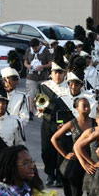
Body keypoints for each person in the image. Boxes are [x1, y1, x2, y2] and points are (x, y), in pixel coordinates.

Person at [51, 97, 93, 196]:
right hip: (76, 163)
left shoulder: (95, 123)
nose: (86, 108)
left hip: (91, 162)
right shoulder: (72, 123)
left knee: (92, 193)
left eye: (88, 105)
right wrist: (65, 154)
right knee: (76, 194)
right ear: (77, 109)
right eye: (83, 106)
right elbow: (54, 138)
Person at [37, 49, 73, 188]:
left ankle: (59, 176)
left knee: (62, 151)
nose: (57, 75)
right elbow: (40, 103)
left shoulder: (69, 87)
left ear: (64, 73)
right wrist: (47, 106)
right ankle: (49, 173)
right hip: (48, 122)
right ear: (51, 73)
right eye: (55, 72)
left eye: (60, 72)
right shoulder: (45, 86)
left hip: (64, 124)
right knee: (46, 151)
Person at [23, 38, 52, 117]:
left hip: (42, 76)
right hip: (31, 76)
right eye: (33, 48)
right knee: (31, 94)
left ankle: (41, 110)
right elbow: (25, 61)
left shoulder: (45, 51)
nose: (34, 50)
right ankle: (31, 111)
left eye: (35, 48)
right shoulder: (29, 50)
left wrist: (42, 66)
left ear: (39, 46)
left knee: (42, 95)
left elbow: (50, 63)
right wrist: (28, 66)